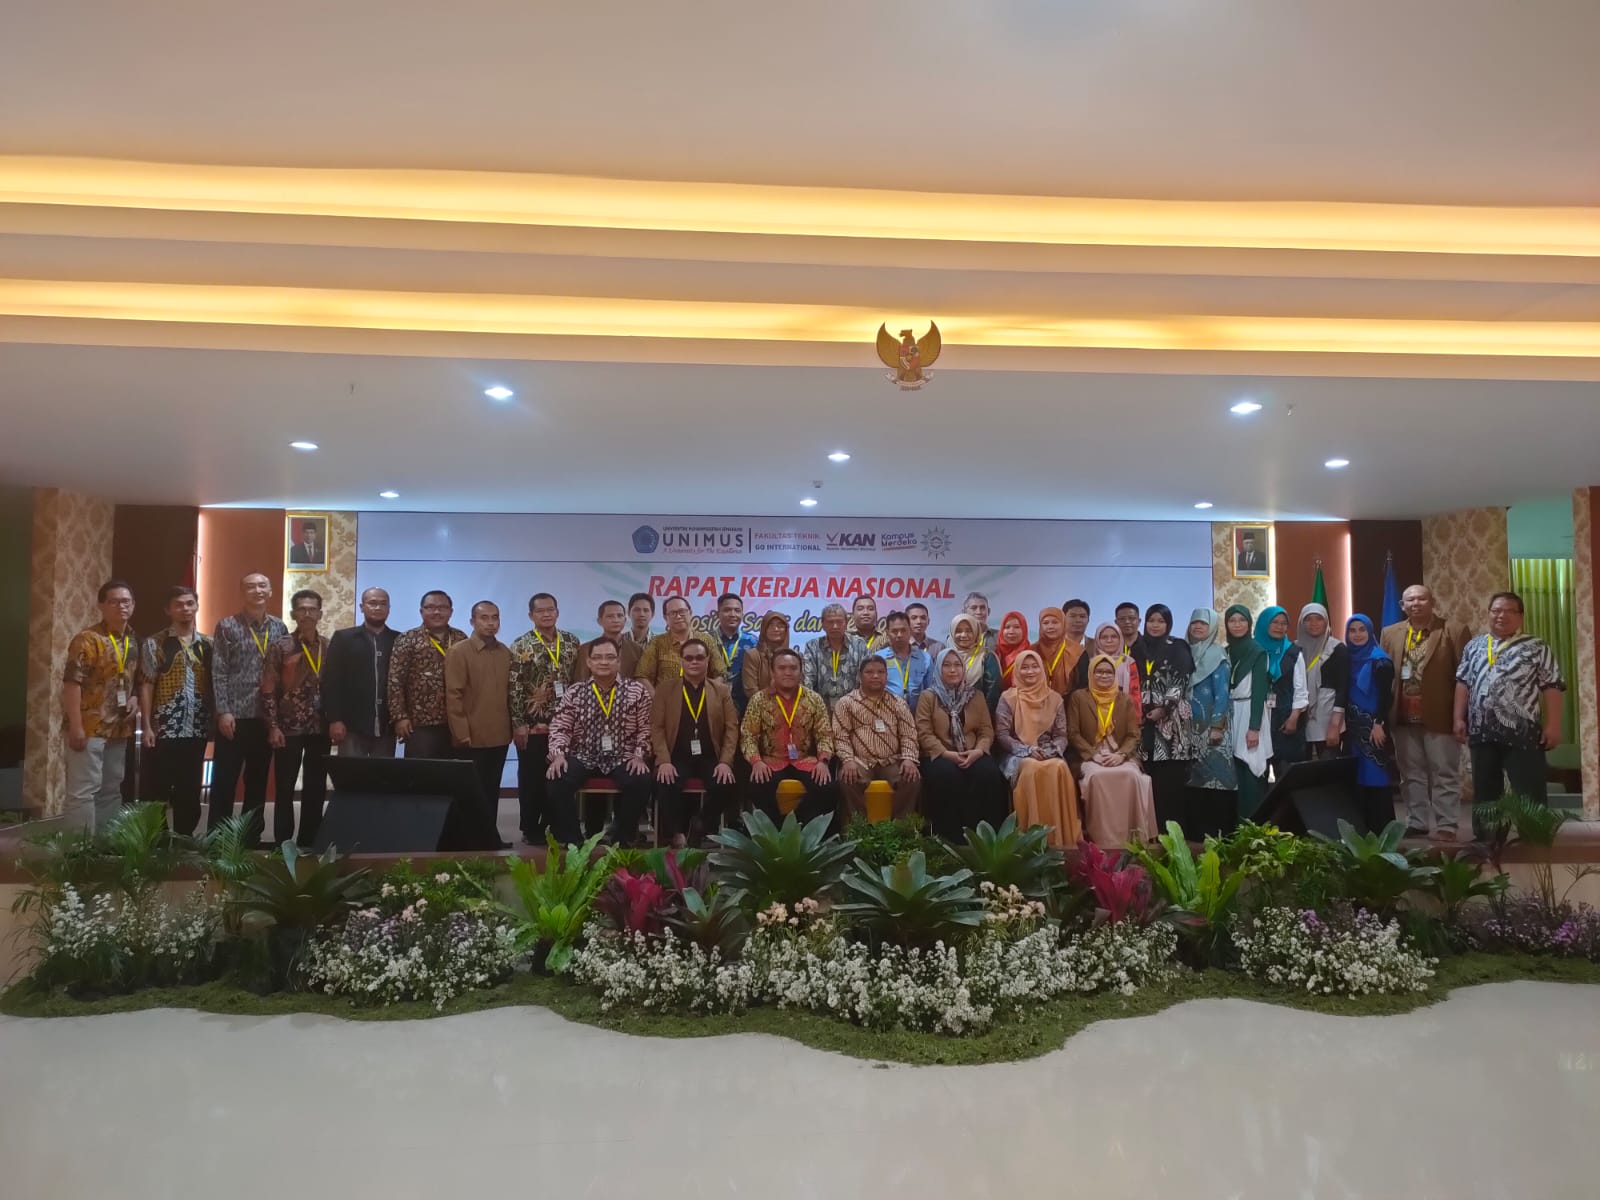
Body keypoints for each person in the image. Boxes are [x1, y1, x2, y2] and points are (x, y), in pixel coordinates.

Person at [1454, 591, 1565, 817]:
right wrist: (1458, 718)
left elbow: (1552, 686)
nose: (1501, 616)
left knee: (1529, 792)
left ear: (1520, 617)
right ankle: (1488, 842)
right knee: (1486, 794)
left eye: (1509, 611)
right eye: (1496, 611)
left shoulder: (1536, 646)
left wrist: (1553, 725)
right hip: (1481, 731)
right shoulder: (1474, 646)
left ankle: (1533, 842)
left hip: (1523, 733)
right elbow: (1463, 683)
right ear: (1488, 614)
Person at [1381, 585, 1473, 839]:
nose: (1416, 603)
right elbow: (1384, 675)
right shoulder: (1391, 633)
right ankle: (1417, 821)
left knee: (1444, 772)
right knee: (1411, 775)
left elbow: (1465, 678)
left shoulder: (1453, 631)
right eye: (1410, 599)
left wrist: (1460, 716)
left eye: (1422, 598)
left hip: (1440, 716)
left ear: (1432, 601)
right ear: (1402, 605)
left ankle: (1447, 824)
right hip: (1402, 717)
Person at [546, 638, 653, 845]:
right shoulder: (575, 692)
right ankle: (574, 841)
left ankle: (622, 839)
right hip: (584, 755)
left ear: (619, 662)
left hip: (624, 756)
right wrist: (558, 754)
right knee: (557, 778)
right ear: (589, 662)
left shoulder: (637, 691)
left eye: (610, 657)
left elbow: (647, 727)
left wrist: (640, 755)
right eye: (597, 657)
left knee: (641, 780)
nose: (604, 662)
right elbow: (560, 726)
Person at [210, 572, 288, 836]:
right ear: (242, 592)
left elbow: (283, 674)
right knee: (224, 780)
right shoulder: (227, 626)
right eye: (251, 586)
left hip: (265, 718)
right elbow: (219, 670)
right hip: (235, 715)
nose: (257, 590)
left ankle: (250, 839)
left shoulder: (279, 628)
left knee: (257, 782)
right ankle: (218, 839)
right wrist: (223, 711)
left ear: (271, 591)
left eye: (262, 585)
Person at [62, 579, 139, 831]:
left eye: (126, 602)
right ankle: (78, 853)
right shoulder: (87, 639)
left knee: (111, 788)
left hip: (119, 727)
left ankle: (105, 846)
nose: (121, 607)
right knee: (83, 790)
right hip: (89, 726)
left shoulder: (133, 639)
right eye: (114, 602)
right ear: (102, 606)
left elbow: (132, 680)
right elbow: (72, 684)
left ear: (133, 606)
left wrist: (134, 699)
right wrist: (75, 725)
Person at [137, 585, 214, 836]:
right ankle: (156, 841)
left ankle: (184, 838)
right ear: (168, 610)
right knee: (157, 787)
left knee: (190, 788)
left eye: (190, 603)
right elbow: (146, 684)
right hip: (164, 728)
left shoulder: (209, 645)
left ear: (197, 606)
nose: (185, 609)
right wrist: (147, 725)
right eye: (179, 604)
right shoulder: (155, 643)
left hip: (197, 727)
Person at [650, 637, 739, 847]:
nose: (694, 662)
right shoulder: (666, 689)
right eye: (688, 658)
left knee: (725, 784)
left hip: (710, 756)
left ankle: (700, 825)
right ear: (681, 660)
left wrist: (726, 762)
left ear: (707, 660)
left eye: (699, 657)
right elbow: (657, 728)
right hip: (677, 755)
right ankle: (677, 833)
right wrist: (663, 760)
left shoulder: (721, 691)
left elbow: (732, 728)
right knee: (664, 781)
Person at [509, 592, 581, 844]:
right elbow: (515, 685)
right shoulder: (521, 644)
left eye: (551, 609)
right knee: (532, 778)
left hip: (565, 724)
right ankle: (531, 827)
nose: (547, 614)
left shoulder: (572, 641)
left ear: (558, 612)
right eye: (540, 611)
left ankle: (556, 824)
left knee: (559, 776)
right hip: (533, 724)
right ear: (531, 615)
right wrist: (518, 723)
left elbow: (577, 681)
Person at [261, 589, 330, 848]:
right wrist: (273, 726)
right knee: (285, 787)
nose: (307, 614)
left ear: (320, 614)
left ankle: (310, 839)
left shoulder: (328, 645)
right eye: (302, 609)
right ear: (293, 614)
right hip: (287, 728)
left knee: (316, 786)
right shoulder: (280, 646)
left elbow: (334, 686)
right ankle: (283, 841)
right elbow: (268, 689)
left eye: (313, 609)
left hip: (319, 726)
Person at [916, 648, 1008, 839]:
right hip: (940, 754)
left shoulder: (976, 695)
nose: (953, 670)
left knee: (989, 774)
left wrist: (979, 751)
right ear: (939, 669)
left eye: (957, 665)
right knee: (947, 775)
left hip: (973, 752)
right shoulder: (928, 696)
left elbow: (986, 730)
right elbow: (924, 733)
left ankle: (986, 837)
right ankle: (949, 837)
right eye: (947, 665)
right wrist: (946, 754)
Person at [741, 648, 838, 825]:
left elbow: (824, 734)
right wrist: (756, 761)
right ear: (772, 671)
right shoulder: (759, 699)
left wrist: (823, 762)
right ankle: (778, 831)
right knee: (757, 787)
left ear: (800, 672)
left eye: (793, 668)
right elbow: (748, 736)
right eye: (782, 668)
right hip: (771, 761)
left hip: (804, 760)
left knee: (828, 788)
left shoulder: (813, 699)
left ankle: (798, 826)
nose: (788, 672)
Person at [1069, 654, 1157, 847]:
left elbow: (1133, 735)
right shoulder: (1079, 697)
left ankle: (1133, 837)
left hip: (1120, 754)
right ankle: (1102, 839)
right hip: (1091, 755)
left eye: (1109, 672)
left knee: (1131, 776)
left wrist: (1121, 755)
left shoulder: (1124, 699)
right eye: (1099, 672)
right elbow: (1073, 733)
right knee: (1096, 777)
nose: (1104, 676)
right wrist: (1094, 756)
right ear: (1091, 673)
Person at [995, 649, 1081, 848]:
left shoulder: (1055, 698)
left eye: (1034, 666)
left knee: (1058, 768)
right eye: (1024, 667)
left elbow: (1061, 736)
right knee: (1031, 768)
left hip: (1048, 752)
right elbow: (1003, 736)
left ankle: (1059, 838)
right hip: (1017, 754)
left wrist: (1050, 751)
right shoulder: (1007, 698)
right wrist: (1027, 750)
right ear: (1017, 671)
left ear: (1042, 670)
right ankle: (1030, 838)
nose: (1030, 671)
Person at [444, 601, 513, 839]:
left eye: (495, 618)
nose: (491, 623)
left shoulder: (505, 652)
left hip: (501, 735)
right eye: (484, 618)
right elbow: (453, 695)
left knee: (492, 789)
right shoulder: (459, 651)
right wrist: (461, 732)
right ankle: (469, 840)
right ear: (472, 621)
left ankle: (489, 836)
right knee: (472, 790)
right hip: (471, 735)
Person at [1132, 603, 1196, 829]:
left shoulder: (1178, 647)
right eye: (1151, 620)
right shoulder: (1136, 648)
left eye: (1161, 621)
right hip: (1142, 724)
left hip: (1171, 725)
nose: (1155, 625)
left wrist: (1164, 707)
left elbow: (1181, 680)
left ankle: (1174, 837)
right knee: (1149, 785)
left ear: (1168, 624)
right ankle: (1150, 835)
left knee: (1171, 787)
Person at [833, 656, 920, 819]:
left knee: (911, 778)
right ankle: (857, 832)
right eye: (869, 672)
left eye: (881, 672)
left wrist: (909, 759)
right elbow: (840, 736)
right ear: (860, 676)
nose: (875, 676)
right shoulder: (846, 703)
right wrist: (848, 760)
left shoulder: (898, 703)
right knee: (848, 778)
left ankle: (901, 830)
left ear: (887, 676)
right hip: (860, 761)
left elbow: (909, 734)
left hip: (892, 760)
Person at [387, 590, 468, 760]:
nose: (437, 612)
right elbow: (395, 681)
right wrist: (400, 717)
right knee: (421, 776)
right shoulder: (407, 639)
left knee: (454, 775)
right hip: (420, 723)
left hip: (456, 722)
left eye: (442, 607)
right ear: (421, 611)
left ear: (451, 611)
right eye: (430, 607)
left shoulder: (461, 638)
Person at [323, 586, 398, 758]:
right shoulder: (344, 638)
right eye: (372, 603)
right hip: (351, 725)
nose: (377, 608)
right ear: (362, 607)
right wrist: (335, 719)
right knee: (351, 779)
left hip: (387, 726)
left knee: (382, 780)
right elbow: (332, 681)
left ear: (388, 609)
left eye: (383, 604)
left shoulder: (398, 639)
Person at [1183, 608, 1237, 837]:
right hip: (1189, 729)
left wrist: (1217, 726)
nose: (1197, 627)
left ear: (1212, 627)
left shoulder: (1218, 655)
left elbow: (1222, 694)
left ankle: (1221, 832)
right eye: (1194, 623)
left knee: (1218, 780)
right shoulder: (1186, 652)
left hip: (1213, 729)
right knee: (1195, 780)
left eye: (1203, 624)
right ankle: (1197, 833)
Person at [1344, 615, 1398, 831]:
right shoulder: (1348, 657)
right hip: (1353, 728)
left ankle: (1382, 828)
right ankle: (1362, 827)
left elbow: (1386, 696)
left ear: (1370, 632)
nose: (1357, 635)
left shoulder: (1380, 660)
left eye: (1361, 630)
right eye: (1352, 630)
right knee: (1358, 776)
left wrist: (1379, 724)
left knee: (1376, 776)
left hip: (1373, 727)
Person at [1225, 606, 1271, 821]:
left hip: (1251, 711)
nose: (1236, 624)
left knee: (1251, 769)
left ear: (1249, 624)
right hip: (1230, 713)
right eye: (1232, 620)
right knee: (1235, 771)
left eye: (1241, 620)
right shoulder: (1225, 652)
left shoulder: (1257, 651)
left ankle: (1253, 826)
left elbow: (1260, 691)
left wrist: (1254, 727)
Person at [1256, 606, 1309, 773]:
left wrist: (1294, 717)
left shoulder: (1293, 652)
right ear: (1264, 624)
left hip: (1286, 719)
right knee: (1258, 771)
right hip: (1259, 718)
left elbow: (1300, 689)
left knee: (1286, 772)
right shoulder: (1253, 650)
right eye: (1275, 622)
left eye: (1284, 623)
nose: (1280, 627)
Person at [639, 594, 727, 689]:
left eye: (682, 611)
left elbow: (720, 673)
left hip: (701, 701)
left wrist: (710, 695)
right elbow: (642, 675)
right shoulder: (657, 642)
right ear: (665, 618)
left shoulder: (706, 639)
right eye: (673, 613)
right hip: (667, 701)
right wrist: (657, 700)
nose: (678, 616)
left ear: (690, 613)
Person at [1296, 603, 1348, 758]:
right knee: (1302, 771)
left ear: (1326, 622)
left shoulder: (1338, 649)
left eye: (1319, 619)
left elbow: (1342, 689)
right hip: (1301, 719)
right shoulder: (1295, 649)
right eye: (1308, 619)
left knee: (1329, 770)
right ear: (1301, 623)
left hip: (1328, 718)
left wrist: (1334, 725)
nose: (1313, 623)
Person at [802, 603, 871, 712]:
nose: (835, 626)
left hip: (854, 708)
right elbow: (808, 680)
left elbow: (866, 678)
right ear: (823, 624)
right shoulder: (813, 646)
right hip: (821, 709)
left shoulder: (859, 645)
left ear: (846, 623)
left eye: (839, 622)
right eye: (830, 622)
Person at [1072, 623, 1142, 713]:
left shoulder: (1128, 662)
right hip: (1095, 713)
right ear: (1097, 640)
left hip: (1123, 712)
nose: (1109, 640)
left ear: (1120, 639)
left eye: (1114, 637)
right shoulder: (1090, 663)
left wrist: (1135, 717)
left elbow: (1135, 692)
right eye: (1104, 637)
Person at [574, 599, 643, 681]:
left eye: (620, 616)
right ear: (599, 621)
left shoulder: (636, 649)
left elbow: (640, 680)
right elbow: (580, 680)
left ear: (625, 620)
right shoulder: (586, 649)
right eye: (610, 616)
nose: (616, 620)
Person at [877, 610, 932, 713]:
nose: (899, 635)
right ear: (887, 633)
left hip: (917, 716)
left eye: (903, 630)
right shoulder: (878, 658)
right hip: (887, 715)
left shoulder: (925, 658)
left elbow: (930, 691)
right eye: (894, 631)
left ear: (910, 631)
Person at [711, 593, 758, 713]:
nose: (733, 614)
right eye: (727, 610)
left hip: (746, 705)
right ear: (717, 614)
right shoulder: (706, 640)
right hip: (712, 704)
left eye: (737, 610)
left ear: (742, 614)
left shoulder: (753, 641)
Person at [948, 613, 1003, 713]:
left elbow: (992, 696)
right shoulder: (945, 656)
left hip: (978, 717)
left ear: (976, 632)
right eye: (958, 631)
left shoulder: (986, 657)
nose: (963, 635)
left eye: (969, 631)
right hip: (948, 716)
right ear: (952, 632)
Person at [1032, 605, 1083, 698]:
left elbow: (1082, 686)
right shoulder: (1032, 651)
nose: (1050, 626)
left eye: (1055, 622)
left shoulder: (1078, 651)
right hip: (1037, 704)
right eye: (1045, 623)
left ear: (1063, 624)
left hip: (1069, 704)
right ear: (1040, 626)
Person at [742, 610, 792, 699]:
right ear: (764, 629)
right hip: (760, 708)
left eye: (780, 626)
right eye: (770, 625)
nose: (775, 629)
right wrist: (772, 706)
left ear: (786, 630)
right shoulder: (753, 655)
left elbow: (798, 687)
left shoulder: (793, 657)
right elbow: (751, 690)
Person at [994, 610, 1031, 691]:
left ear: (1024, 629)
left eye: (1017, 627)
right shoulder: (995, 654)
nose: (1011, 631)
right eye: (1007, 627)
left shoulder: (1031, 654)